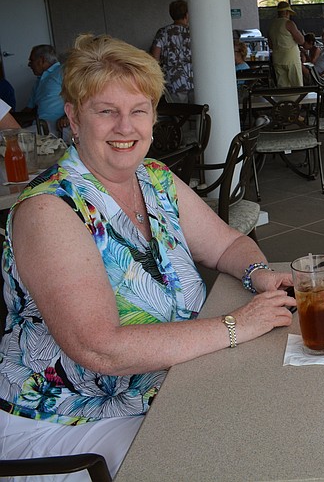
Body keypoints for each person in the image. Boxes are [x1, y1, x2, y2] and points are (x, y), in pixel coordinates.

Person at [0, 34, 296, 477]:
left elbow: (229, 244)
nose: (125, 126)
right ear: (74, 119)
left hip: (167, 384)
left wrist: (259, 274)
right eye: (106, 111)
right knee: (221, 463)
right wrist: (238, 325)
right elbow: (101, 349)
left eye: (138, 110)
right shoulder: (50, 210)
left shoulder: (155, 178)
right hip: (70, 418)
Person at [150, 0, 193, 102]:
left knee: (179, 113)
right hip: (194, 80)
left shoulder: (163, 32)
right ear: (187, 15)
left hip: (174, 82)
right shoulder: (193, 32)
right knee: (197, 114)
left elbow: (154, 58)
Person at [22, 44, 65, 135]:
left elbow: (80, 96)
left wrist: (67, 117)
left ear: (42, 60)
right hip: (38, 125)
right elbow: (28, 109)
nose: (29, 65)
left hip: (58, 126)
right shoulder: (39, 81)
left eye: (31, 61)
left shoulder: (63, 71)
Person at [268, 0, 304, 88]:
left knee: (283, 87)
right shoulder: (289, 23)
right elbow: (301, 40)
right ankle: (297, 101)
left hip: (277, 59)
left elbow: (270, 45)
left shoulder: (271, 25)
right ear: (287, 12)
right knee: (297, 86)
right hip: (291, 58)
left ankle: (285, 102)